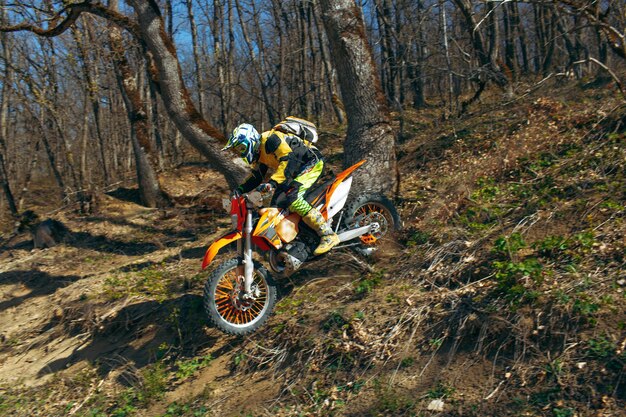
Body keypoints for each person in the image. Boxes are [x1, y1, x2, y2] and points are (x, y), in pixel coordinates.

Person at [223, 123, 340, 255]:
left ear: (251, 139)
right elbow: (257, 176)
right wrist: (240, 189)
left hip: (311, 163)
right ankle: (298, 241)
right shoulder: (260, 153)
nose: (241, 152)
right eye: (239, 150)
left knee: (293, 198)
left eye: (242, 147)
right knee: (275, 208)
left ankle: (327, 234)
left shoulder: (271, 140)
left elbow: (288, 160)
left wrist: (272, 183)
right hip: (294, 171)